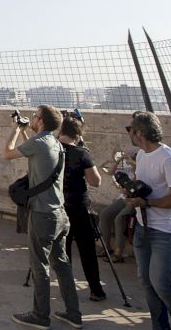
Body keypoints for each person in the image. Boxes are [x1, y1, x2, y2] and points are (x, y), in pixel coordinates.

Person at [4, 105, 83, 329]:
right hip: (60, 214)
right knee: (63, 265)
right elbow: (36, 150)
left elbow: (8, 153)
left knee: (40, 267)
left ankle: (40, 316)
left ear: (42, 121)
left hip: (42, 215)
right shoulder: (55, 143)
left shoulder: (39, 143)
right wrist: (25, 130)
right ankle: (73, 314)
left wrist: (15, 130)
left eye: (36, 116)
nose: (33, 119)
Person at [125, 112, 171, 330]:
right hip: (143, 227)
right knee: (146, 281)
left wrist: (147, 204)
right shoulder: (142, 155)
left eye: (130, 129)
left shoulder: (169, 160)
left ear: (139, 133)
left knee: (161, 283)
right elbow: (143, 183)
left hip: (165, 232)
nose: (129, 133)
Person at [58, 115, 106, 302]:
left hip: (59, 207)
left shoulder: (52, 150)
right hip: (80, 207)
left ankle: (67, 290)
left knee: (64, 251)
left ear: (60, 130)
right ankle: (96, 289)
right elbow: (96, 181)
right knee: (87, 251)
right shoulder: (81, 153)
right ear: (78, 133)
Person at [97, 150, 137, 263]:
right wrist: (119, 160)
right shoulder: (126, 168)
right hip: (123, 198)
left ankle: (118, 253)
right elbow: (110, 172)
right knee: (105, 214)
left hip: (134, 200)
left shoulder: (139, 168)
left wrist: (133, 163)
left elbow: (137, 179)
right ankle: (107, 247)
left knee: (119, 219)